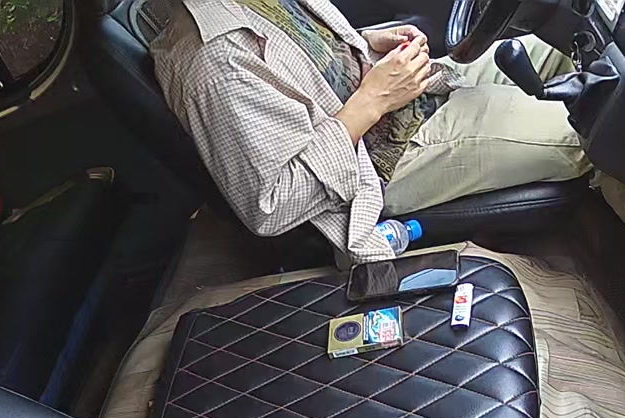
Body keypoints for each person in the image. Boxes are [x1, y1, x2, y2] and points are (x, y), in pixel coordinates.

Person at [151, 0, 590, 263]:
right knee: (592, 129)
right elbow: (272, 206)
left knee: (564, 51)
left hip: (406, 100)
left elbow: (297, 62)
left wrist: (364, 46)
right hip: (383, 160)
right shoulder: (216, 63)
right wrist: (374, 98)